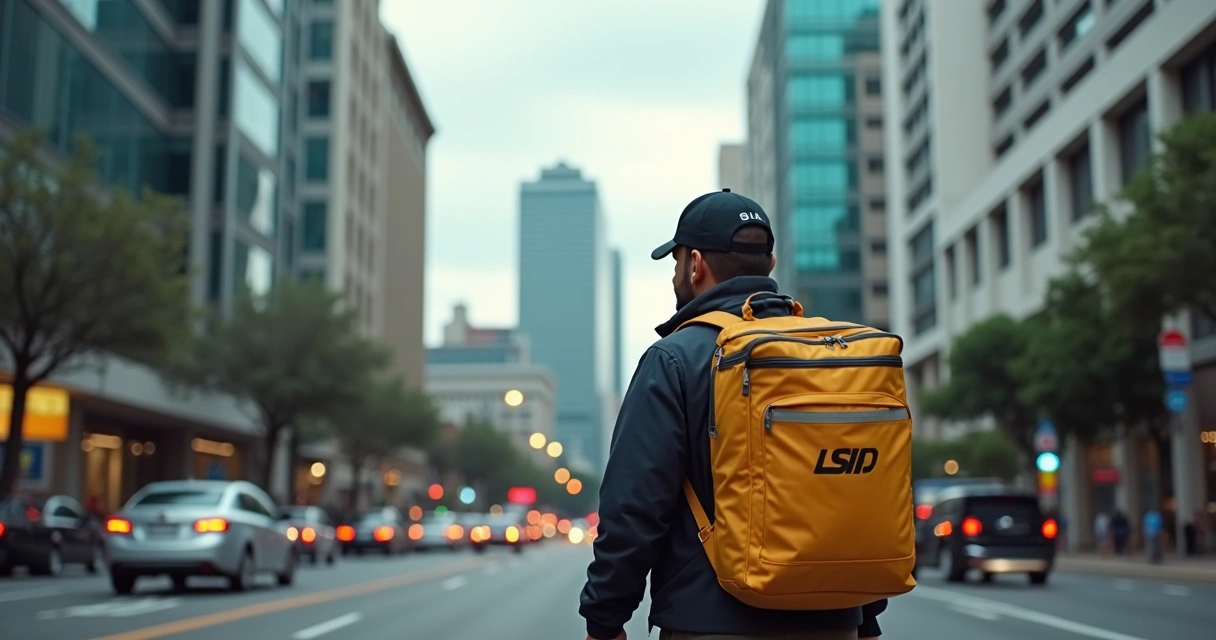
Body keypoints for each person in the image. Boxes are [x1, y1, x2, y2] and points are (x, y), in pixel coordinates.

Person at [579, 189, 886, 640]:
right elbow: (855, 497)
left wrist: (604, 620)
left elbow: (634, 507)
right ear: (771, 265)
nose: (676, 277)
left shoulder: (673, 359)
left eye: (677, 264)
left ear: (696, 265)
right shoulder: (828, 353)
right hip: (835, 619)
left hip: (711, 621)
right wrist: (866, 617)